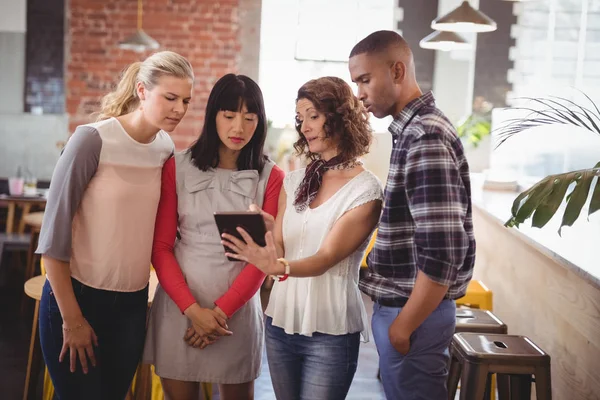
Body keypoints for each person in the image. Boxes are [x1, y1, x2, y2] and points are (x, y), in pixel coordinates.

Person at [36, 51, 194, 400]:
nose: (179, 109)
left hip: (132, 304)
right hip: (75, 298)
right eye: (170, 98)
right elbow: (52, 241)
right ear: (141, 90)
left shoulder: (165, 147)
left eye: (185, 100)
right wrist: (72, 319)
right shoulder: (92, 140)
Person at [222, 76, 383, 400]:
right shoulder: (295, 181)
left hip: (332, 330)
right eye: (300, 119)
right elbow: (282, 244)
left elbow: (325, 258)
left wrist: (277, 266)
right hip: (281, 322)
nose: (304, 126)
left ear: (338, 117)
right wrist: (265, 233)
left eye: (313, 116)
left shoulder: (366, 189)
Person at [348, 30, 476, 399]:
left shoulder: (425, 136)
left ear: (398, 71)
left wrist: (403, 327)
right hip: (409, 310)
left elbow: (442, 251)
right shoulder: (413, 130)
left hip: (414, 314)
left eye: (365, 80)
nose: (359, 94)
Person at [142, 73, 285, 400]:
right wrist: (194, 312)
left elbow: (264, 258)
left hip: (235, 315)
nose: (239, 128)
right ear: (213, 116)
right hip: (180, 308)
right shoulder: (176, 167)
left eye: (250, 118)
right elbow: (161, 248)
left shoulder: (271, 176)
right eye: (230, 116)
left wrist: (219, 314)